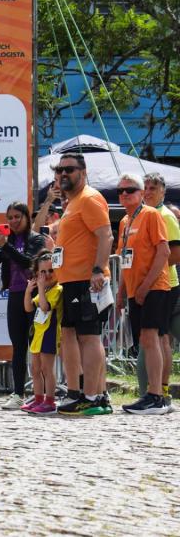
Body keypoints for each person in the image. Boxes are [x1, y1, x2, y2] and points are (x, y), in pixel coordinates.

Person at [52, 153, 113, 416]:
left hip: (87, 280)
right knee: (75, 336)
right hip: (70, 279)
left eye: (70, 169)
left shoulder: (89, 198)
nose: (64, 174)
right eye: (60, 169)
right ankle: (88, 393)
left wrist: (98, 270)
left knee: (89, 336)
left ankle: (93, 397)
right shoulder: (73, 202)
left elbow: (106, 235)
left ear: (83, 171)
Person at [0, 202, 51, 409]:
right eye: (9, 218)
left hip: (35, 295)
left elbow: (29, 263)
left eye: (17, 217)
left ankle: (43, 394)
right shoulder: (8, 240)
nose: (12, 221)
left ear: (27, 217)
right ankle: (18, 393)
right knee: (18, 347)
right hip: (14, 295)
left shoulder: (37, 239)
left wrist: (5, 245)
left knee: (37, 347)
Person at [114, 174, 171, 415]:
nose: (125, 194)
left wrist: (146, 285)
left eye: (131, 190)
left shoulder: (151, 214)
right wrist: (121, 292)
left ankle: (156, 395)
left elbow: (163, 251)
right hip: (135, 288)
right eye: (121, 191)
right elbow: (125, 260)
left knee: (151, 339)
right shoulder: (125, 221)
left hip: (154, 287)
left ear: (140, 194)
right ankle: (151, 393)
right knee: (144, 341)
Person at [138, 172, 180, 402]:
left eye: (153, 187)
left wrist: (153, 269)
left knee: (162, 338)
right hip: (149, 283)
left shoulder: (165, 216)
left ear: (163, 191)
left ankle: (162, 391)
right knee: (156, 338)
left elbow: (175, 254)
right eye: (145, 187)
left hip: (165, 284)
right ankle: (156, 390)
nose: (148, 191)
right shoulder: (145, 214)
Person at [22, 251, 62, 415]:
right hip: (38, 334)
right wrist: (27, 291)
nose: (46, 276)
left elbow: (45, 307)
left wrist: (40, 288)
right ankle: (38, 398)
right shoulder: (42, 292)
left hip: (50, 334)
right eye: (42, 272)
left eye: (50, 271)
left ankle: (50, 401)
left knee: (47, 369)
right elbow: (29, 307)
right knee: (35, 368)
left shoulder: (57, 290)